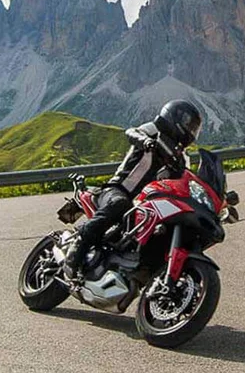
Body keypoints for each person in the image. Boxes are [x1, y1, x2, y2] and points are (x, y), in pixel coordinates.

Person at [64, 99, 204, 283]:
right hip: (118, 189)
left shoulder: (180, 158)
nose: (191, 130)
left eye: (194, 128)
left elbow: (186, 179)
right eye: (189, 124)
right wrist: (145, 141)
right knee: (120, 204)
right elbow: (131, 132)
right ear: (175, 117)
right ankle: (78, 244)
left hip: (144, 204)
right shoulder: (153, 132)